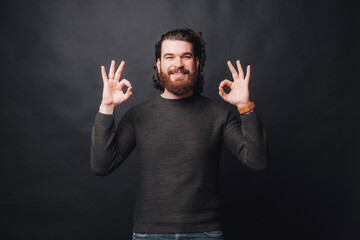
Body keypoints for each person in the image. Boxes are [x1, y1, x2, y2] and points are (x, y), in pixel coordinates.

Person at [91, 28, 270, 240]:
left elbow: (258, 161)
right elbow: (102, 166)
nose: (178, 64)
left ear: (197, 63)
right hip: (150, 234)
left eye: (186, 56)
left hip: (205, 233)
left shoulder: (218, 115)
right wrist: (107, 107)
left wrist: (245, 106)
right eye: (169, 57)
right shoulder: (138, 115)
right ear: (159, 64)